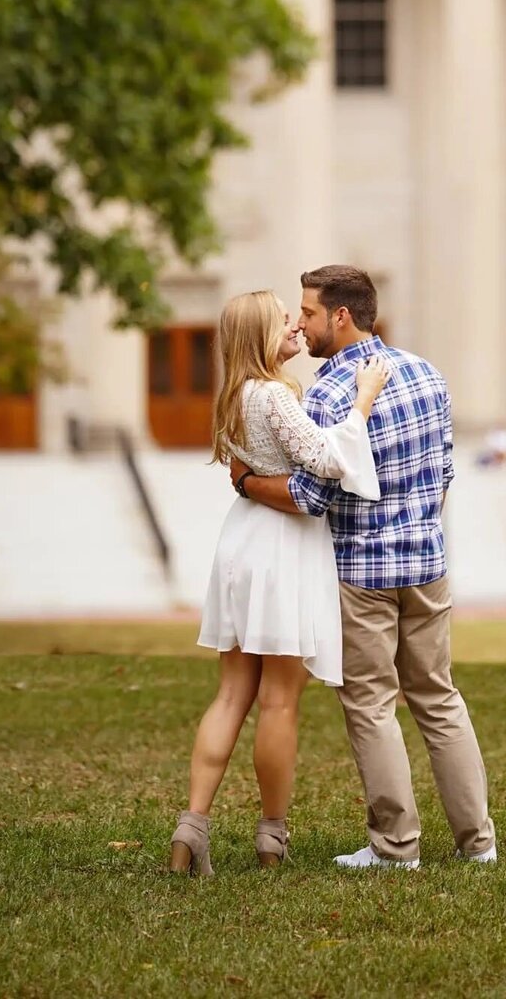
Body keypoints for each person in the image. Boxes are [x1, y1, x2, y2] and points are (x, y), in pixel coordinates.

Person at [230, 264, 496, 871]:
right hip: (428, 564)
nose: (301, 323)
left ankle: (397, 848)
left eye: (308, 313)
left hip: (361, 572)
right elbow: (446, 474)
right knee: (439, 698)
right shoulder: (427, 374)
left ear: (340, 317)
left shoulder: (325, 394)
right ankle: (478, 843)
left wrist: (246, 482)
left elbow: (311, 496)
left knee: (373, 704)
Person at [169, 289, 391, 878]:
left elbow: (252, 470)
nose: (295, 325)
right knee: (279, 700)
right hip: (281, 550)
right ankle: (272, 838)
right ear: (260, 337)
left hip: (241, 544)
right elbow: (325, 458)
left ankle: (190, 829)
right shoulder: (272, 395)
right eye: (282, 321)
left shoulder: (233, 397)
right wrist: (363, 402)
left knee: (229, 695)